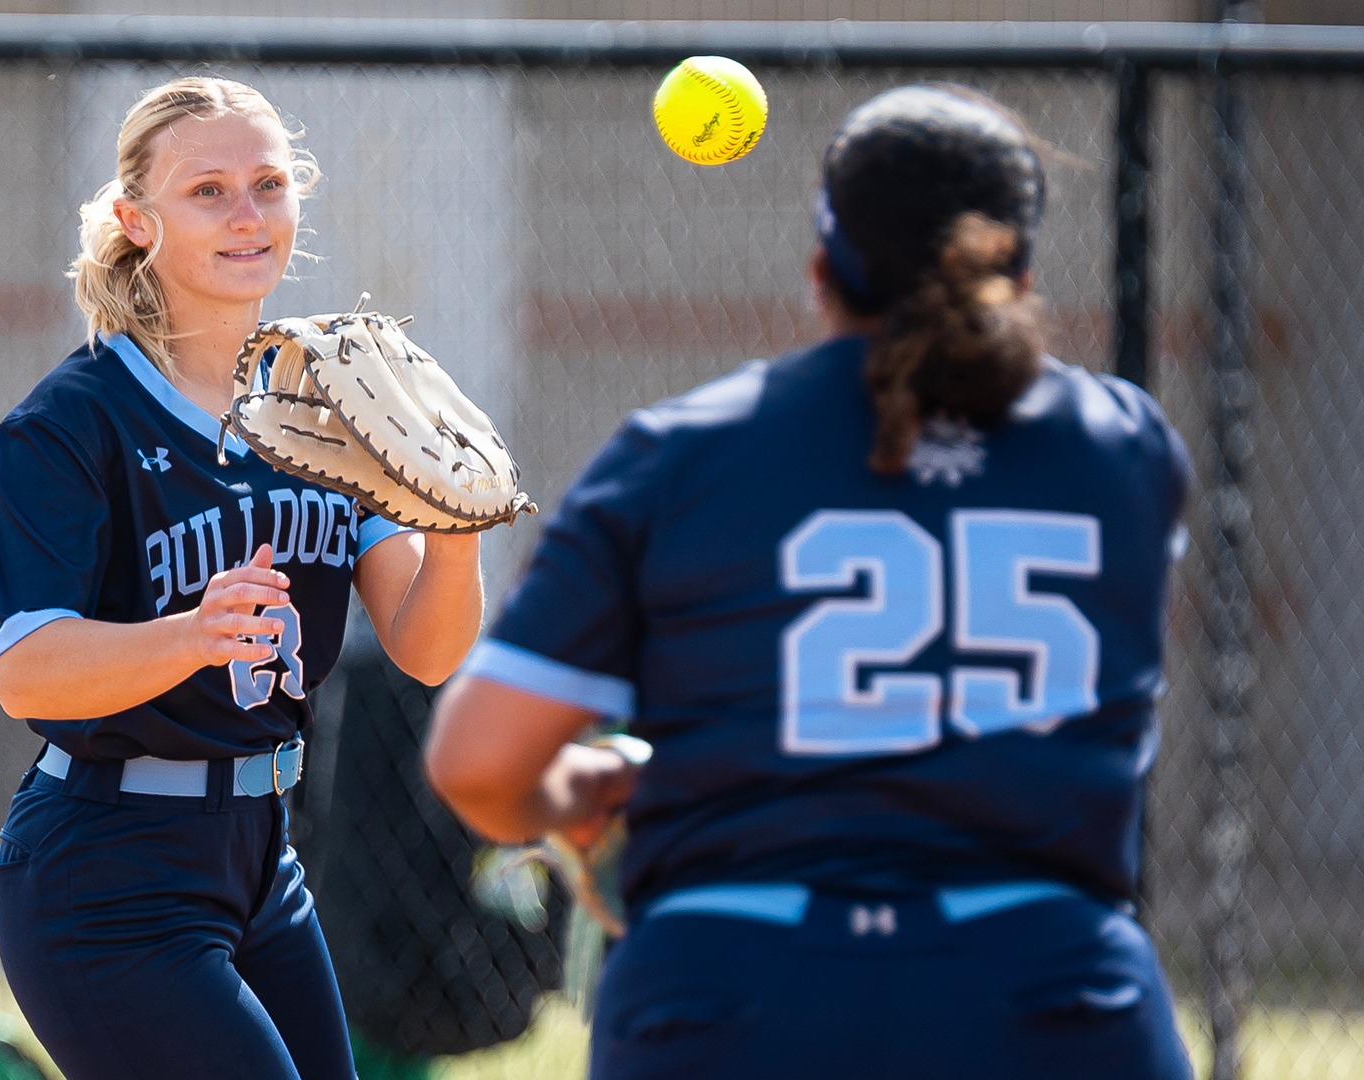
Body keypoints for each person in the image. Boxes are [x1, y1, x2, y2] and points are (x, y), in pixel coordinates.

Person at [425, 83, 1195, 1080]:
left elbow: (480, 765)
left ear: (821, 268)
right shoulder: (1125, 452)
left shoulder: (683, 453)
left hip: (736, 991)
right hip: (1044, 994)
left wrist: (600, 782)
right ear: (1022, 265)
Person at [0, 77, 483, 1080]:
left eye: (267, 184)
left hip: (261, 855)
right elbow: (26, 674)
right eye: (207, 190)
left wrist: (457, 530)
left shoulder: (327, 411)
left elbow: (428, 651)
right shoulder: (72, 423)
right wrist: (191, 636)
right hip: (105, 870)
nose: (248, 215)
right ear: (136, 220)